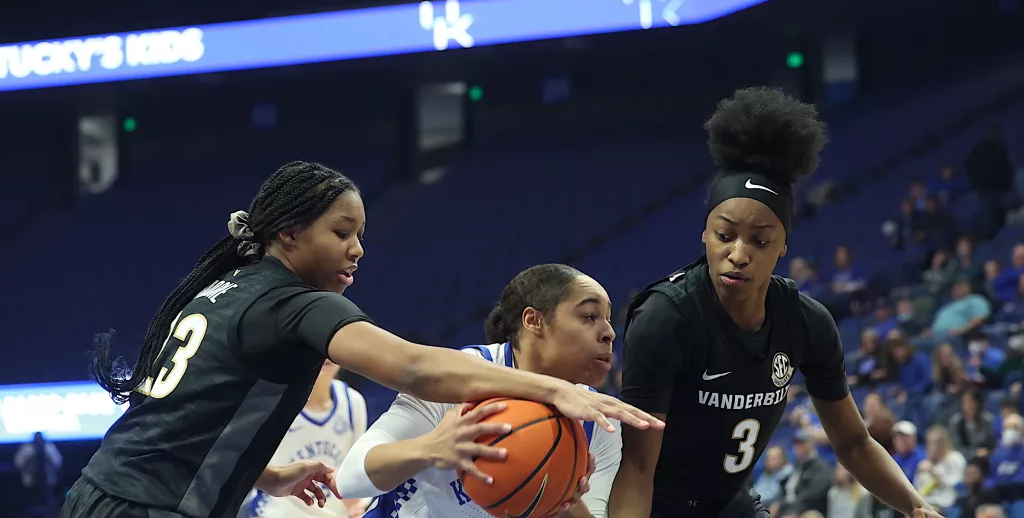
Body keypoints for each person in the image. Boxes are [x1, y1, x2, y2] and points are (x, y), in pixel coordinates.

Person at [61, 162, 660, 518]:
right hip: (149, 505)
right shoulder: (293, 302)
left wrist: (265, 475)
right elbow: (413, 367)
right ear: (289, 233)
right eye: (341, 232)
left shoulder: (228, 286)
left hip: (106, 490)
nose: (357, 249)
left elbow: (184, 419)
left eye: (360, 234)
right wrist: (550, 389)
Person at [606, 87, 943, 518]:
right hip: (656, 506)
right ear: (705, 235)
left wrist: (916, 505)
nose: (738, 253)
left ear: (783, 245)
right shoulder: (665, 318)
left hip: (731, 504)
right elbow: (637, 467)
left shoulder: (806, 322)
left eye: (760, 240)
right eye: (724, 235)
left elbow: (855, 444)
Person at [336, 264, 622, 518]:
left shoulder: (601, 421)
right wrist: (429, 448)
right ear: (533, 321)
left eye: (608, 319)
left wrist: (564, 502)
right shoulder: (457, 377)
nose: (609, 332)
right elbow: (349, 478)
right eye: (589, 316)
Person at [240, 360, 370, 518]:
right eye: (317, 348)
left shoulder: (353, 401)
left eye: (330, 349)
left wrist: (357, 503)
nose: (325, 356)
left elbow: (358, 465)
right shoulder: (270, 401)